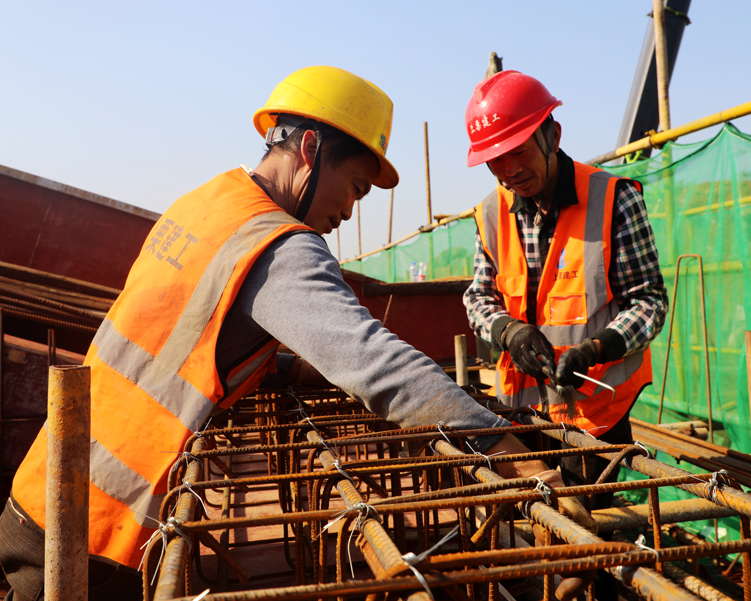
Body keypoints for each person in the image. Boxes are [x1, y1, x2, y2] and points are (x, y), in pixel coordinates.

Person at [0, 66, 591, 601]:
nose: (351, 212)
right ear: (310, 149)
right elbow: (377, 363)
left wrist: (290, 366)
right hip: (100, 527)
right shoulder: (278, 243)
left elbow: (187, 344)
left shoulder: (208, 203)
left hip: (49, 489)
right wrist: (511, 458)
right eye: (356, 187)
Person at [463, 70, 667, 515]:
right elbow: (478, 297)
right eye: (495, 160)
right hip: (519, 411)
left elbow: (649, 302)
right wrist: (508, 331)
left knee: (587, 529)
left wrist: (598, 348)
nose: (508, 170)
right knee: (533, 526)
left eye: (517, 152)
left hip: (594, 417)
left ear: (551, 135)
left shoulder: (613, 198)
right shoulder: (490, 214)